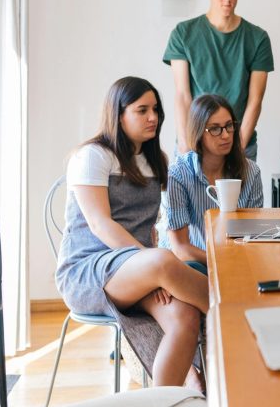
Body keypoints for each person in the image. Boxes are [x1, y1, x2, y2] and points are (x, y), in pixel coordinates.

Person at [56, 77, 208, 388]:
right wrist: (152, 264)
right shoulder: (93, 156)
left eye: (156, 110)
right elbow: (101, 224)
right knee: (165, 261)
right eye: (142, 110)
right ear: (119, 113)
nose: (153, 117)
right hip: (89, 271)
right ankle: (240, 315)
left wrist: (151, 267)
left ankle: (167, 397)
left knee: (185, 318)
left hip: (139, 270)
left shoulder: (155, 161)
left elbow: (149, 227)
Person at [164, 0, 274, 161]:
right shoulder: (183, 33)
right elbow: (182, 95)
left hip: (240, 143)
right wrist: (185, 144)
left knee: (240, 195)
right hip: (195, 142)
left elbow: (255, 100)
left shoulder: (258, 38)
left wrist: (238, 148)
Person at [158, 94, 263, 273]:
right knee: (194, 269)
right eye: (215, 129)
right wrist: (222, 260)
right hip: (190, 264)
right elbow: (180, 248)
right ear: (198, 133)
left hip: (236, 261)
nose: (225, 135)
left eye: (229, 126)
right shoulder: (178, 173)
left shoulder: (251, 171)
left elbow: (253, 235)